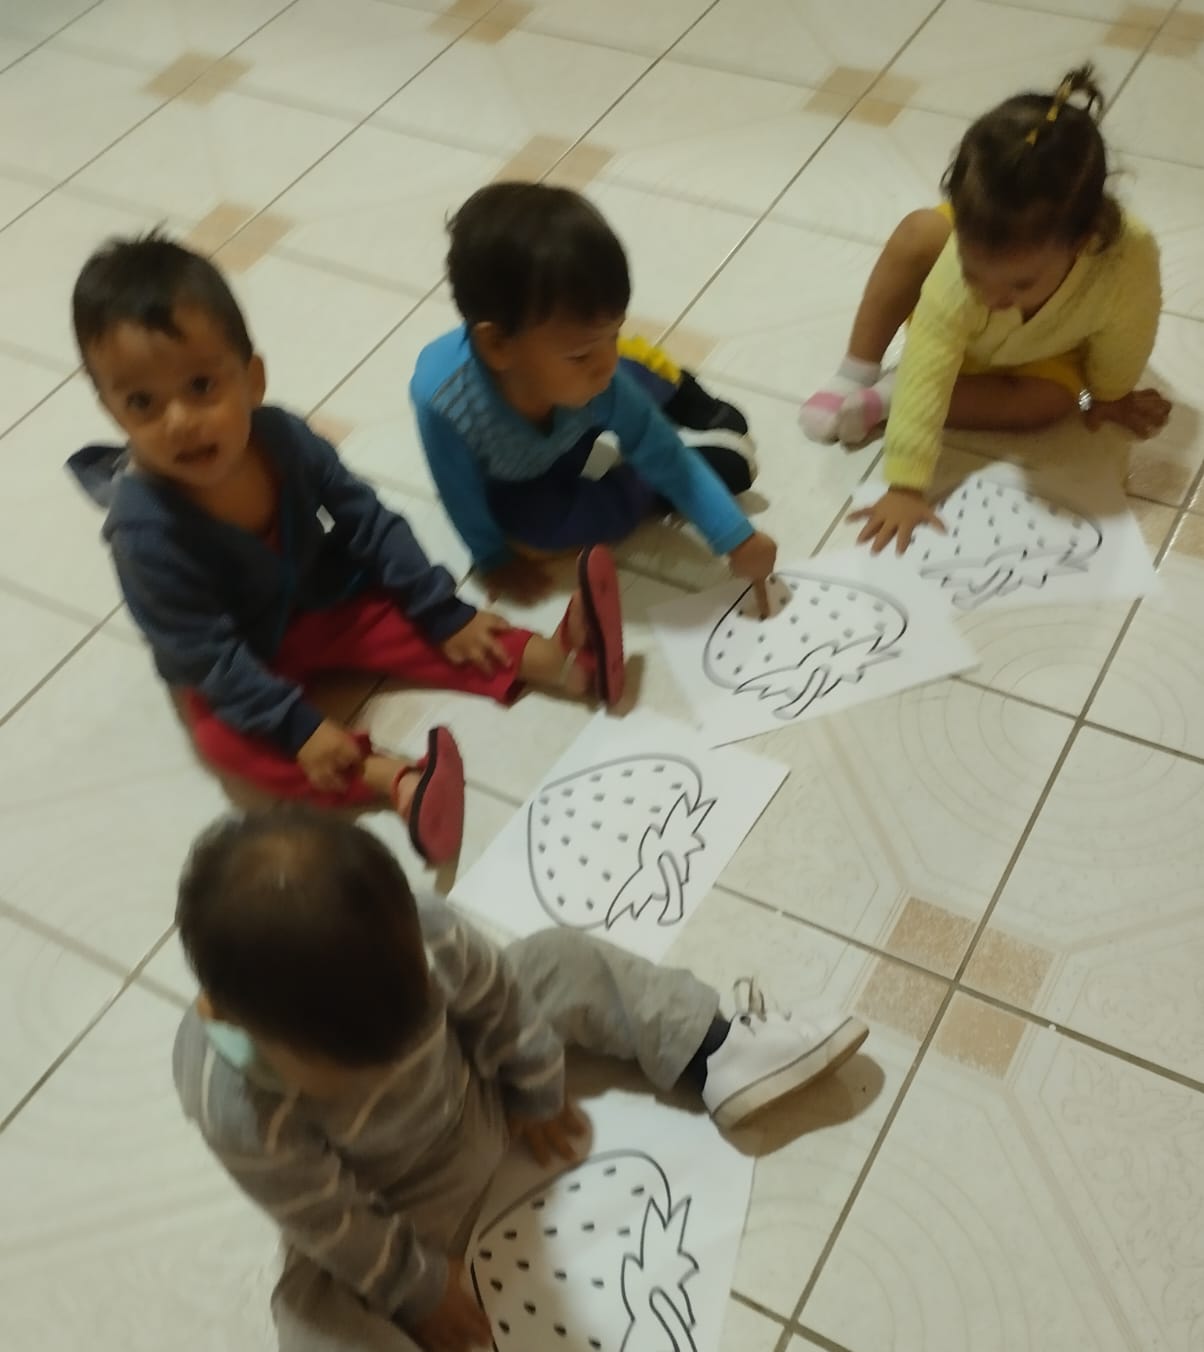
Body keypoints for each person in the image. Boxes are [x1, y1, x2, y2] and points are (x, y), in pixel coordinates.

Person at [172, 810, 868, 1352]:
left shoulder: (424, 931)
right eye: (353, 1066)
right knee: (309, 1313)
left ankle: (717, 1048)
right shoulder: (230, 1098)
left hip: (483, 1088)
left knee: (557, 958)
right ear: (227, 1017)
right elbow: (326, 1217)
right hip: (398, 1205)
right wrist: (417, 1285)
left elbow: (501, 1000)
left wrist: (536, 1084)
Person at [66, 233, 626, 866]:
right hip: (235, 658)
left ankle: (564, 662)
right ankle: (397, 782)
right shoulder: (144, 534)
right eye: (142, 402)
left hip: (322, 600)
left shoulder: (284, 438)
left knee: (412, 618)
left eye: (201, 385)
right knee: (225, 742)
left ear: (252, 379)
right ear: (112, 411)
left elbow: (367, 520)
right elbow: (207, 655)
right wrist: (298, 728)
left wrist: (443, 612)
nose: (178, 421)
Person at [799, 65, 1171, 554]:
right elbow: (930, 358)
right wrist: (905, 485)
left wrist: (1110, 392)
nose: (993, 298)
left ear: (1080, 243)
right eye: (977, 274)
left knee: (1053, 405)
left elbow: (1131, 327)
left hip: (1043, 353)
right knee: (917, 233)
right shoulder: (955, 272)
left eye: (1021, 283)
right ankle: (856, 371)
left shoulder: (1126, 258)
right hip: (947, 330)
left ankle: (888, 397)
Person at [411, 181, 778, 602]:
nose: (605, 359)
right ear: (498, 345)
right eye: (581, 353)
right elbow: (459, 492)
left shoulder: (596, 371)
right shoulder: (444, 404)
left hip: (581, 410)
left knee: (626, 373)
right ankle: (658, 487)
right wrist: (492, 557)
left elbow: (657, 445)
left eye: (614, 333)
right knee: (538, 530)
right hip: (522, 471)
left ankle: (677, 388)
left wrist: (736, 536)